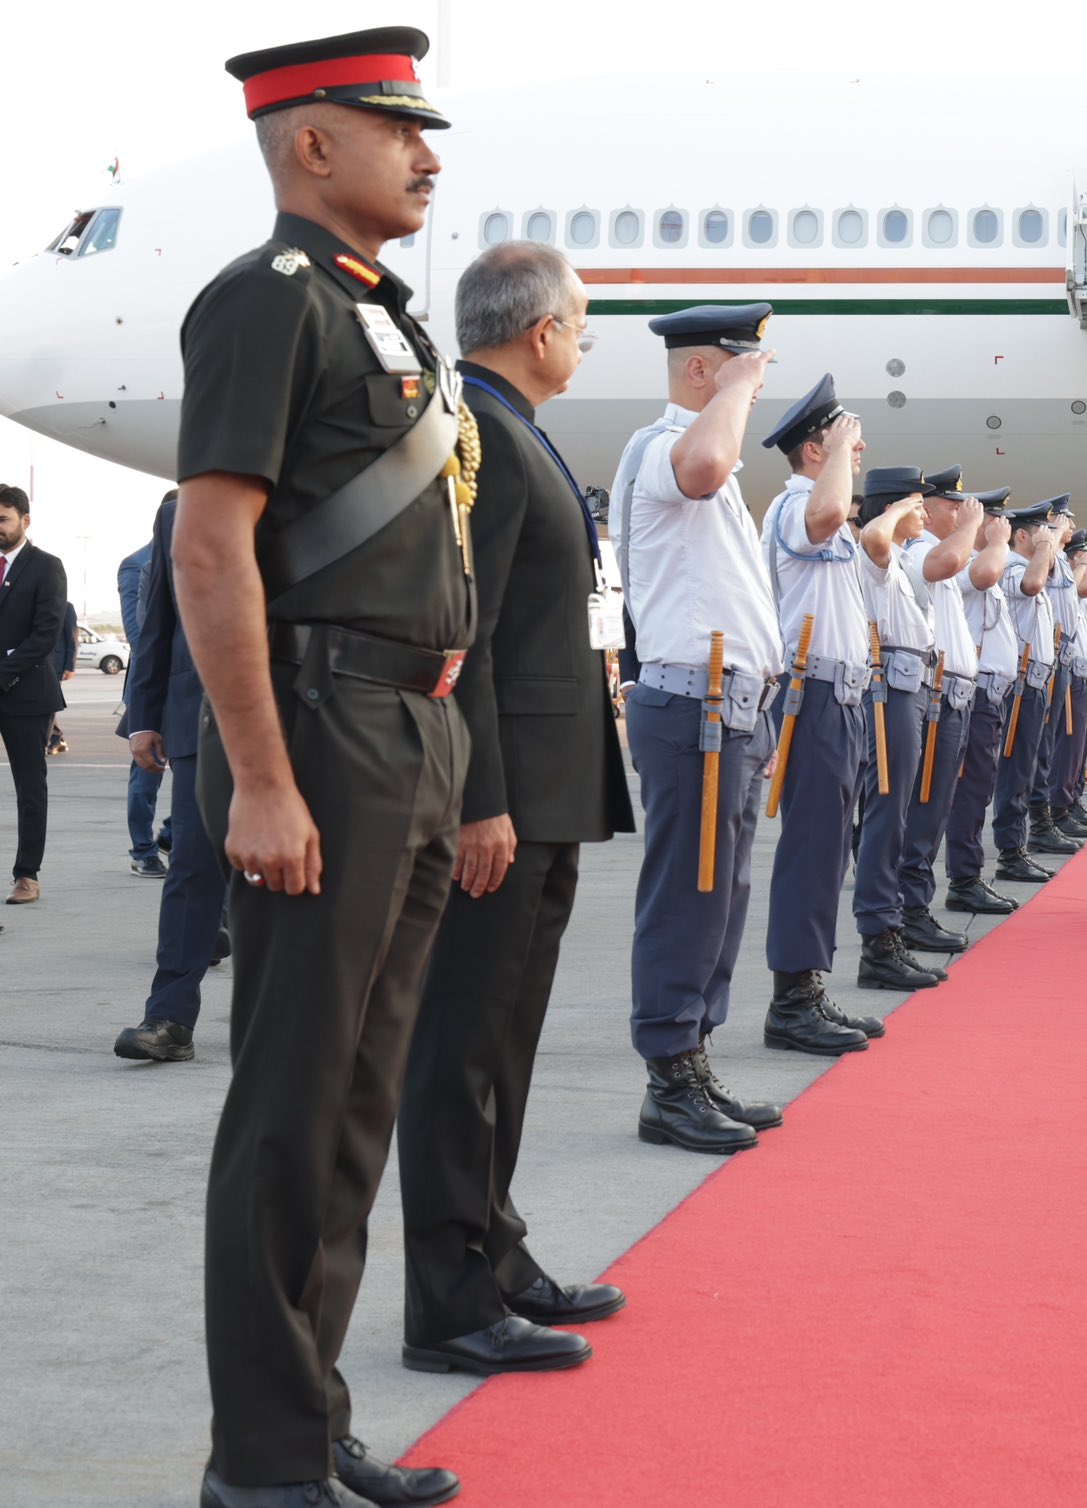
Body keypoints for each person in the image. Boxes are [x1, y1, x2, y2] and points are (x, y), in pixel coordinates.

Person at [178, 28, 467, 1507]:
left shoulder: (392, 320)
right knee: (290, 1108)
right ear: (310, 145)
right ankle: (263, 1463)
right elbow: (210, 542)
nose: (427, 153)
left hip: (417, 731)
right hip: (328, 735)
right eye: (396, 126)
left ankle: (313, 1413)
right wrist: (263, 782)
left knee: (359, 1105)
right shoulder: (263, 302)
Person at [396, 241, 636, 1378]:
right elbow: (465, 632)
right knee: (460, 1047)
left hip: (547, 794)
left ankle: (496, 1253)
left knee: (506, 1043)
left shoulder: (515, 428)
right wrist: (479, 799)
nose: (584, 339)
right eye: (579, 322)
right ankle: (448, 1298)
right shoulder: (477, 432)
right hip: (503, 803)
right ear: (538, 330)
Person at [611, 302, 791, 1156]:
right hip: (694, 705)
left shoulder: (699, 457)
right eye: (746, 367)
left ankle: (694, 1057)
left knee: (722, 894)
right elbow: (705, 463)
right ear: (702, 371)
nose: (758, 387)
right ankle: (667, 1077)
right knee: (689, 894)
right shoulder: (665, 448)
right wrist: (741, 386)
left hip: (732, 709)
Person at [754, 377, 908, 1027]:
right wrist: (842, 452)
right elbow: (825, 516)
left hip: (838, 697)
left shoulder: (822, 509)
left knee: (828, 848)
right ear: (815, 452)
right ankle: (792, 999)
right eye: (848, 439)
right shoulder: (799, 507)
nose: (860, 448)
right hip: (812, 695)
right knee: (814, 847)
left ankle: (808, 987)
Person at [114, 493, 233, 1064]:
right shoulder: (176, 508)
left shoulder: (318, 480)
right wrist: (144, 718)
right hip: (198, 715)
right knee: (191, 865)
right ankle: (168, 1017)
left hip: (305, 712)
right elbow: (158, 619)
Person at [849, 464, 955, 989]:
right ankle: (879, 939)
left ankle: (888, 928)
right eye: (917, 505)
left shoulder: (896, 564)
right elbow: (872, 533)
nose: (924, 513)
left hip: (910, 686)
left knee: (897, 812)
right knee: (886, 812)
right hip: (889, 689)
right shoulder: (877, 552)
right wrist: (893, 508)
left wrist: (901, 507)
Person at [896, 468, 999, 951]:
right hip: (935, 696)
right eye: (950, 506)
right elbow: (948, 563)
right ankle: (908, 909)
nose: (961, 514)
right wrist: (968, 531)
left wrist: (966, 533)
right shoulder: (920, 550)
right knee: (922, 810)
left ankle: (915, 905)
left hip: (956, 693)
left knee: (935, 810)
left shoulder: (947, 550)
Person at [943, 487, 1025, 913]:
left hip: (988, 695)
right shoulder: (966, 560)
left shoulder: (983, 557)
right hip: (970, 694)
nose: (1003, 527)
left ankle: (968, 873)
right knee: (968, 791)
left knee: (977, 790)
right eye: (995, 518)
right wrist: (993, 542)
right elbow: (984, 576)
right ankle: (964, 877)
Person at [990, 496, 1072, 880]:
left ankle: (1019, 844)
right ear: (1022, 535)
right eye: (1039, 533)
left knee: (1030, 766)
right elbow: (1033, 583)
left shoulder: (1030, 561)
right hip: (1021, 684)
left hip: (1037, 679)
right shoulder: (1011, 565)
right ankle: (1010, 851)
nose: (1048, 541)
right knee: (1015, 771)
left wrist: (1048, 545)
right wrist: (1043, 547)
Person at [0, 484, 65, 908]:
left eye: (3, 519)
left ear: (25, 521)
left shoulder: (46, 567)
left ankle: (27, 875)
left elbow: (46, 634)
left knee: (29, 788)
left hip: (25, 695)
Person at [119, 525, 173, 875]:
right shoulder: (137, 563)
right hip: (152, 686)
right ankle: (143, 849)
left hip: (189, 686)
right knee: (147, 774)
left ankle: (171, 833)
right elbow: (139, 634)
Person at [1046, 528, 1087, 836]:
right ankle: (1060, 804)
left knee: (1080, 746)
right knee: (1067, 747)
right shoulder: (1072, 585)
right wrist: (1082, 566)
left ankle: (1073, 798)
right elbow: (1081, 589)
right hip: (1073, 674)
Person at [46, 599, 77, 754]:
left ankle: (45, 742)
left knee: (49, 703)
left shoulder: (66, 607)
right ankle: (56, 738)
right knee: (45, 704)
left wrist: (69, 666)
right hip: (39, 662)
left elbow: (72, 637)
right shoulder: (36, 603)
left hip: (57, 664)